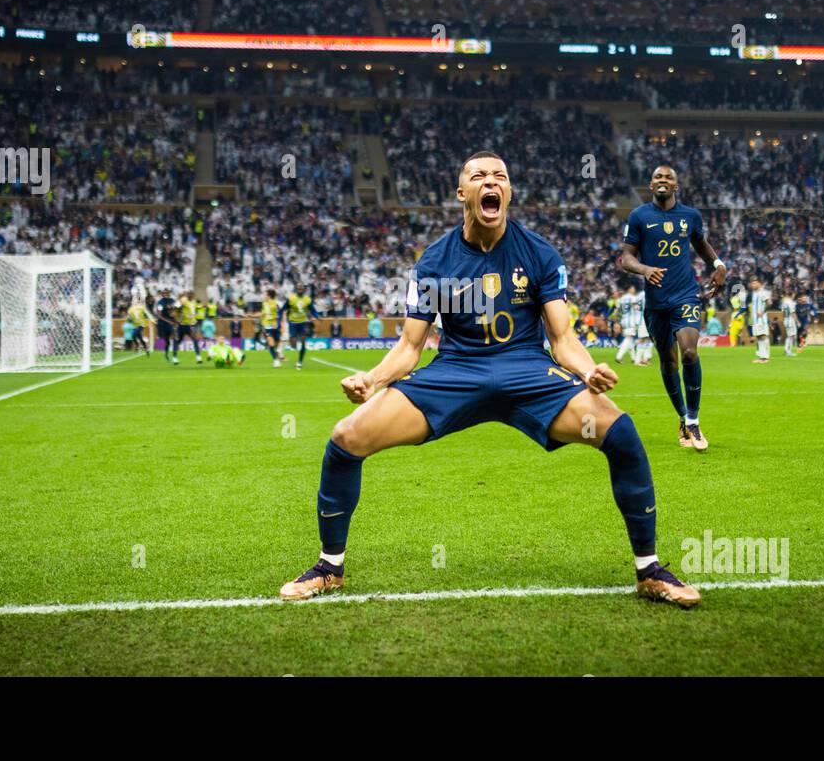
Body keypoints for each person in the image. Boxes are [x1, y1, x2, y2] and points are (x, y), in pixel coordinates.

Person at [278, 151, 700, 608]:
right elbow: (411, 348)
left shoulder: (539, 252)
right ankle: (329, 567)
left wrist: (586, 369)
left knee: (621, 433)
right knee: (346, 438)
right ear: (463, 194)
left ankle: (649, 570)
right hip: (455, 373)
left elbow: (562, 337)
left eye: (500, 175)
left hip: (528, 371)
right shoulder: (435, 261)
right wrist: (373, 379)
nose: (490, 181)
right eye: (478, 176)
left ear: (508, 192)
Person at [618, 165, 726, 452]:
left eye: (668, 177)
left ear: (676, 185)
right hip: (655, 303)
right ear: (651, 185)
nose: (662, 181)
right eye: (657, 178)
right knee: (668, 362)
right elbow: (626, 257)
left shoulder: (690, 216)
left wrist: (718, 265)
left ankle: (693, 419)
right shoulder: (639, 216)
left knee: (689, 351)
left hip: (686, 295)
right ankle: (681, 416)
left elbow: (701, 244)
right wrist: (644, 268)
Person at [285, 285, 316, 370]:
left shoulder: (307, 299)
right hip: (293, 322)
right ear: (296, 289)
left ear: (304, 290)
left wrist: (317, 316)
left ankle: (299, 362)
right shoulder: (291, 298)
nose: (300, 289)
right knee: (293, 343)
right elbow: (284, 308)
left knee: (303, 341)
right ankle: (295, 345)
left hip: (303, 322)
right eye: (298, 288)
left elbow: (312, 310)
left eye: (301, 288)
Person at [614, 284, 646, 366]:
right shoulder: (632, 297)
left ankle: (634, 358)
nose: (634, 290)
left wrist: (617, 321)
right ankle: (619, 356)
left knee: (630, 340)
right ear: (629, 289)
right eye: (633, 288)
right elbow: (636, 307)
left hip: (624, 320)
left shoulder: (620, 299)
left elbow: (617, 312)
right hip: (631, 320)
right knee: (629, 338)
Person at [748, 277, 771, 363]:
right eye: (752, 283)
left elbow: (769, 303)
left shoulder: (763, 292)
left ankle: (765, 358)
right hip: (756, 320)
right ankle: (762, 356)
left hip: (761, 319)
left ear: (759, 283)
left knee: (763, 336)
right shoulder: (755, 293)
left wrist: (762, 312)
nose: (752, 285)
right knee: (759, 337)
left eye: (754, 283)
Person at [152, 288, 178, 363]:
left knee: (175, 337)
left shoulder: (172, 301)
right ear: (162, 294)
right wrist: (168, 321)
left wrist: (175, 318)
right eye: (164, 293)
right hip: (163, 324)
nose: (166, 294)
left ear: (169, 293)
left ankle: (175, 356)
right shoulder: (160, 302)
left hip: (171, 323)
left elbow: (176, 310)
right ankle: (165, 353)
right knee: (166, 341)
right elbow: (159, 315)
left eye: (167, 293)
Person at [780, 291, 799, 357]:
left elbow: (782, 312)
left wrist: (784, 320)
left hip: (786, 319)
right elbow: (793, 312)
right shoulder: (790, 302)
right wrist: (797, 322)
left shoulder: (783, 302)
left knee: (790, 336)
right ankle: (788, 351)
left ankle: (787, 350)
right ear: (792, 294)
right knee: (791, 336)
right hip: (790, 320)